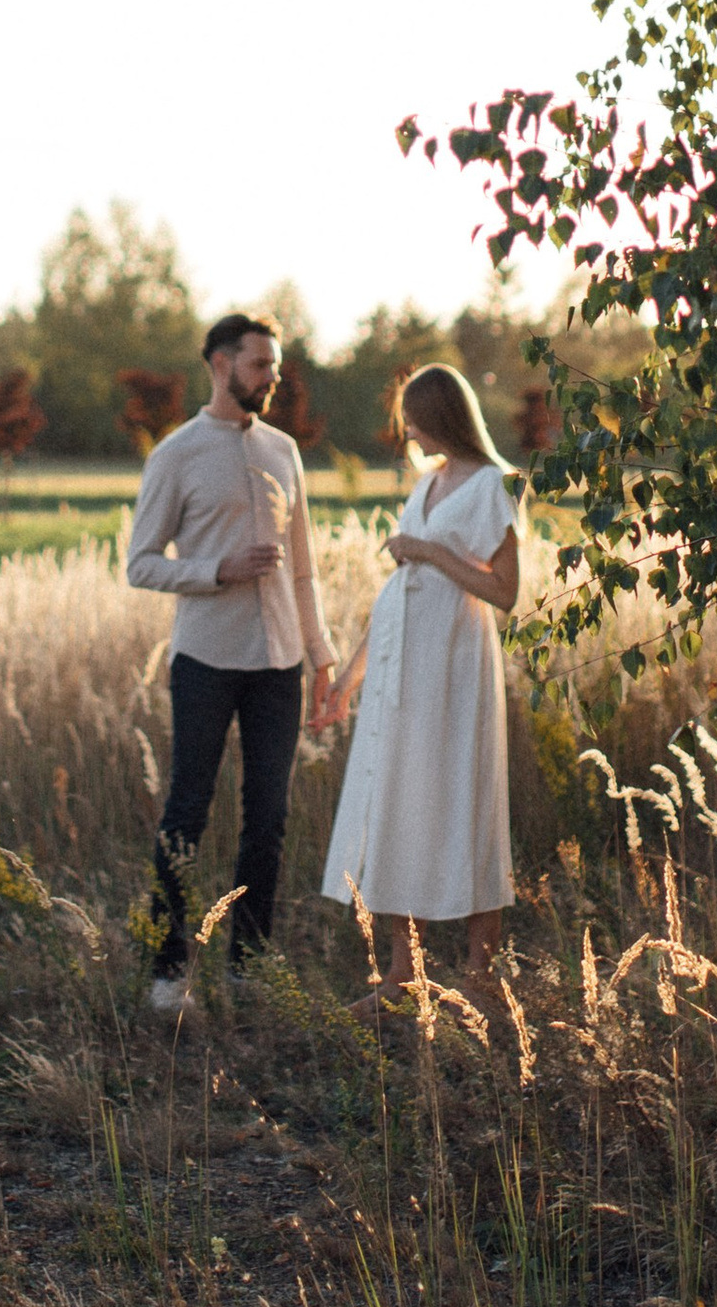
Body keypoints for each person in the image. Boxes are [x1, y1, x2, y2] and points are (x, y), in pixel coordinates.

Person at [126, 312, 336, 1015]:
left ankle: (248, 968)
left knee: (268, 819)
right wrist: (217, 569)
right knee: (187, 812)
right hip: (207, 661)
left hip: (280, 664)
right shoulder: (176, 455)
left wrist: (323, 657)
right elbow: (141, 564)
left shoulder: (283, 451)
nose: (271, 378)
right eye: (258, 366)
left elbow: (304, 572)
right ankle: (167, 975)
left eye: (274, 366)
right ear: (220, 364)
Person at [315, 361, 518, 996]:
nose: (407, 431)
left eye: (414, 418)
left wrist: (430, 551)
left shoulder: (495, 486)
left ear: (440, 418)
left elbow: (505, 591)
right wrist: (349, 678)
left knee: (464, 798)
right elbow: (398, 591)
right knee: (396, 803)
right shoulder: (423, 486)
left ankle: (479, 975)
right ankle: (405, 972)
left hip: (454, 669)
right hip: (399, 670)